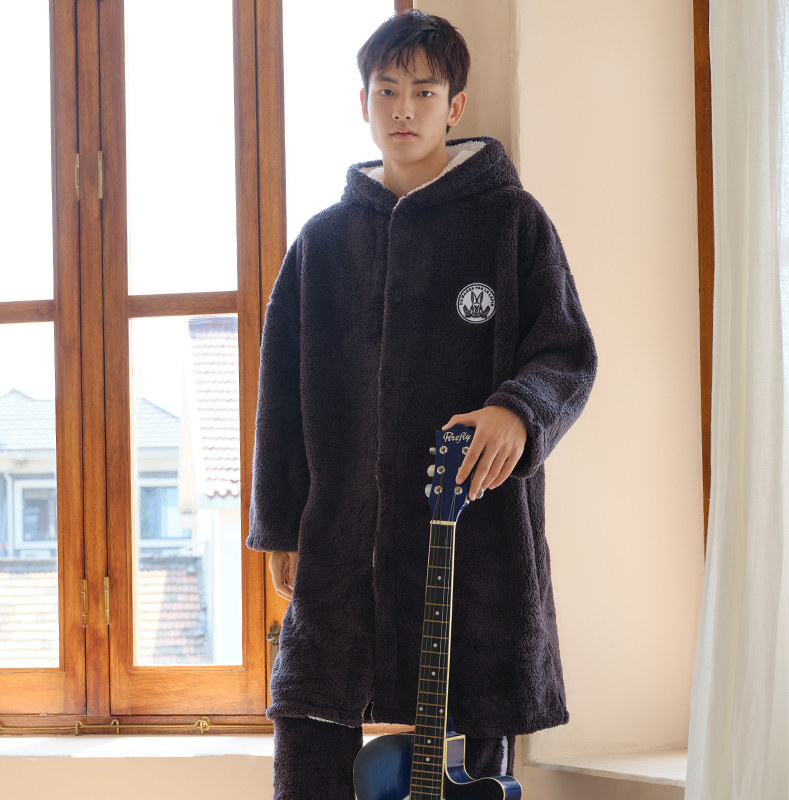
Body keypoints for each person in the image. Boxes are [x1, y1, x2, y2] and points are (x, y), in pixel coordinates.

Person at [246, 10, 597, 799]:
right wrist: (281, 527)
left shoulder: (512, 223)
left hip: (475, 546)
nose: (403, 109)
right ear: (363, 102)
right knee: (311, 725)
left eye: (424, 91)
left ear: (454, 105)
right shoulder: (322, 244)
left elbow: (567, 352)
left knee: (471, 755)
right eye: (386, 90)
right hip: (342, 546)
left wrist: (518, 409)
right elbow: (280, 401)